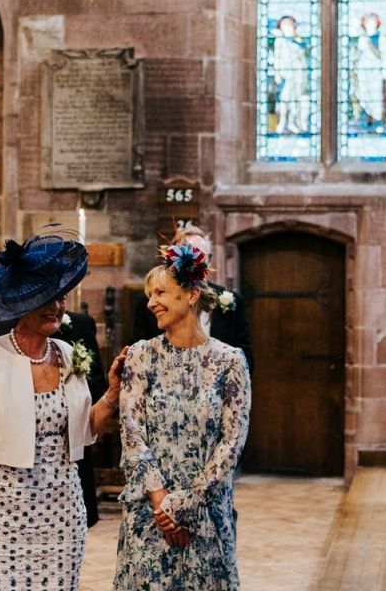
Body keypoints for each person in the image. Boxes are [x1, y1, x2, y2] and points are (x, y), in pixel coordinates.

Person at [0, 234, 127, 591]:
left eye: (60, 297)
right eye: (45, 298)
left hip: (62, 514)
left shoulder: (67, 354)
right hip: (1, 514)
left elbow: (85, 431)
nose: (56, 306)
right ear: (21, 303)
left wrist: (112, 394)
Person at [113, 241, 251, 591]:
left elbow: (231, 443)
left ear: (190, 295)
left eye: (160, 292)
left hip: (205, 511)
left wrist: (185, 503)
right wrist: (162, 503)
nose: (150, 302)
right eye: (149, 293)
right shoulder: (141, 356)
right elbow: (131, 432)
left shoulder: (230, 361)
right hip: (150, 512)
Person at [0, 306, 108, 527]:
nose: (55, 305)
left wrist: (66, 395)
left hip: (64, 463)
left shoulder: (80, 327)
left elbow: (95, 384)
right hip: (8, 477)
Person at [131, 224, 253, 372]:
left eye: (198, 257)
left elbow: (245, 362)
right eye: (184, 259)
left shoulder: (232, 301)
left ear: (209, 260)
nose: (191, 266)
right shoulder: (149, 303)